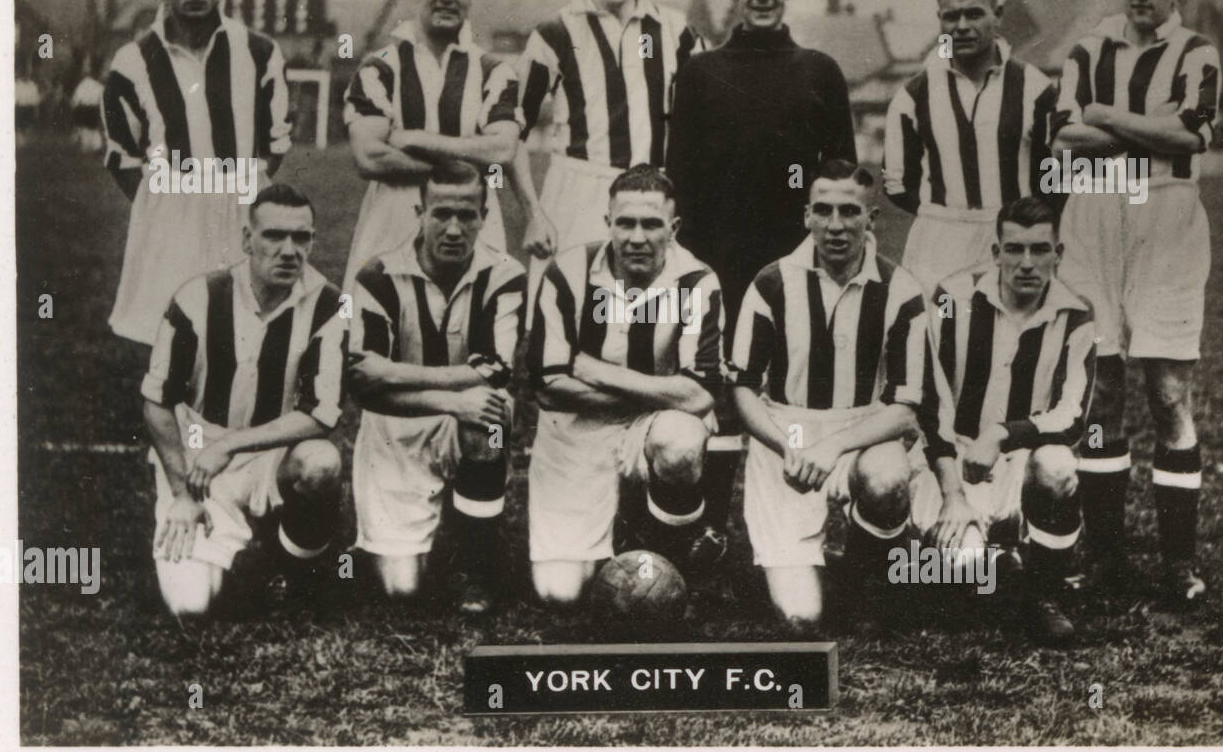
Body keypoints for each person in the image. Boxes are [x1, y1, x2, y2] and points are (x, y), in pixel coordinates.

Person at [1050, 0, 1220, 607]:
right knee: (1102, 392)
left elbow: (1191, 136)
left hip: (1168, 216)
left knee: (1169, 392)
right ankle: (1108, 561)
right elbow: (1065, 134)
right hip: (1092, 213)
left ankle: (1178, 565)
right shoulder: (1089, 48)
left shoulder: (1199, 51)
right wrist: (1150, 126)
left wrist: (1107, 116)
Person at [729, 160, 926, 631]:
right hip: (788, 433)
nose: (835, 226)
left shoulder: (901, 289)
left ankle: (866, 577)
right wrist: (788, 445)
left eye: (849, 212)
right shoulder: (771, 283)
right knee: (801, 615)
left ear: (871, 218)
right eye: (823, 211)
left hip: (863, 431)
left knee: (886, 477)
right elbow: (741, 389)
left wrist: (834, 445)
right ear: (807, 217)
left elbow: (904, 409)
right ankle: (805, 572)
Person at [142, 184, 345, 618]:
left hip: (271, 448)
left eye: (302, 237)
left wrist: (230, 445)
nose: (289, 250)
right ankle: (217, 540)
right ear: (246, 239)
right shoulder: (198, 297)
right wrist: (182, 492)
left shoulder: (328, 305)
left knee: (321, 464)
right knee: (190, 605)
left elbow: (321, 413)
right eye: (274, 235)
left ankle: (288, 568)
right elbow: (157, 401)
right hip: (199, 452)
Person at [526, 165, 726, 604]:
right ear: (607, 224)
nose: (638, 237)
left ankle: (669, 554)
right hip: (575, 428)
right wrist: (659, 387)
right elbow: (544, 384)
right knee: (560, 593)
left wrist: (595, 371)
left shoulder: (697, 280)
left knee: (681, 440)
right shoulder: (567, 272)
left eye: (652, 224)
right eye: (626, 223)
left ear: (673, 228)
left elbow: (700, 393)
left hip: (651, 426)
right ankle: (624, 521)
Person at [913, 196, 1096, 644]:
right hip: (951, 459)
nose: (1027, 263)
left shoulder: (1077, 313)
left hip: (1019, 462)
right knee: (962, 574)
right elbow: (926, 398)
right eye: (1014, 249)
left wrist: (1000, 434)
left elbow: (1072, 418)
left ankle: (1042, 592)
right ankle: (996, 556)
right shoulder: (952, 298)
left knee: (1058, 465)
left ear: (1059, 254)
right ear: (996, 253)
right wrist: (953, 492)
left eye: (1039, 249)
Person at [348, 159, 525, 615]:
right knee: (400, 589)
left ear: (484, 218)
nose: (453, 228)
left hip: (462, 415)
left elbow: (497, 372)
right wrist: (451, 397)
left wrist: (391, 371)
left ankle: (475, 567)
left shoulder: (506, 275)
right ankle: (404, 535)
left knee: (488, 417)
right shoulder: (376, 276)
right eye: (441, 213)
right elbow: (363, 386)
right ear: (418, 213)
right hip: (396, 423)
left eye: (467, 215)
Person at [102, 0, 291, 347]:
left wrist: (232, 190)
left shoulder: (259, 52)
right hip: (170, 215)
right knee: (170, 345)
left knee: (245, 340)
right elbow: (122, 156)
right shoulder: (133, 61)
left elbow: (275, 143)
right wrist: (169, 201)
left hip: (242, 212)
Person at [513, 0, 706, 298]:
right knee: (563, 322)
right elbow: (512, 131)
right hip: (578, 193)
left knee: (652, 327)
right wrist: (533, 214)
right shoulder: (554, 34)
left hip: (654, 196)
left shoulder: (676, 31)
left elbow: (704, 129)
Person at [667, 0, 856, 316]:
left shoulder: (821, 71)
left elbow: (842, 177)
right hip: (716, 258)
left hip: (799, 256)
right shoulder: (700, 73)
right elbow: (680, 178)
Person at [343, 0, 550, 289]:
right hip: (395, 216)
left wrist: (414, 139)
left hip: (473, 217)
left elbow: (501, 150)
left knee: (475, 329)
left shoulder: (493, 71)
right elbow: (370, 156)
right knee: (385, 324)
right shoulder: (379, 67)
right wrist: (461, 169)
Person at [883, 0, 1058, 294]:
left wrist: (1022, 222)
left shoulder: (1035, 89)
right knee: (937, 333)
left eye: (974, 14)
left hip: (1011, 237)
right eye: (951, 17)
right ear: (940, 19)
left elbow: (1054, 180)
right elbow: (896, 181)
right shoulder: (914, 93)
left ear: (998, 15)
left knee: (1010, 333)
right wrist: (944, 213)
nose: (962, 27)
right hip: (938, 239)